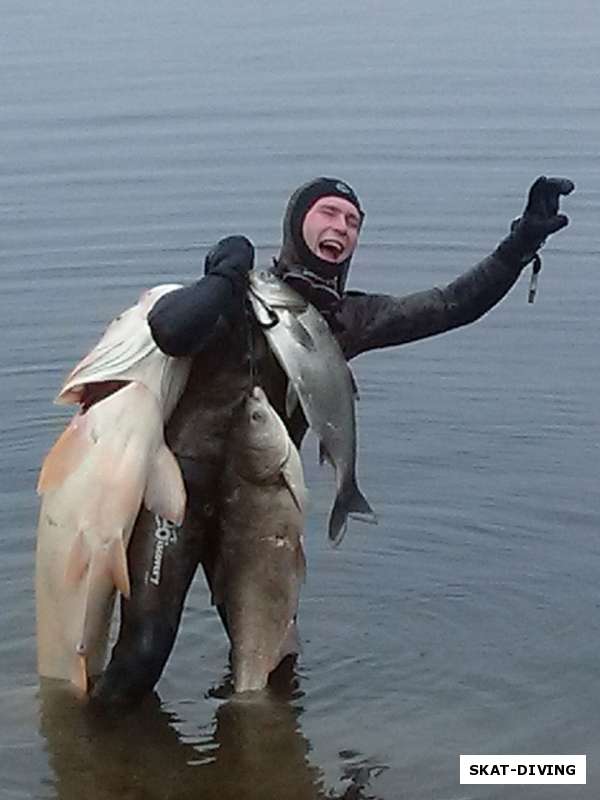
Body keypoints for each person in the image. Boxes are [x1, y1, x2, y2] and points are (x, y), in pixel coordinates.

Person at [91, 175, 574, 706]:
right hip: (175, 501)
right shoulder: (239, 297)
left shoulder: (344, 322)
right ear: (297, 222)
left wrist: (521, 243)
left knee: (276, 670)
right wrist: (220, 280)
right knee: (141, 657)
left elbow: (449, 305)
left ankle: (247, 767)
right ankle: (100, 770)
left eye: (353, 222)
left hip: (261, 510)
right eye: (328, 213)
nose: (340, 228)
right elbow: (170, 329)